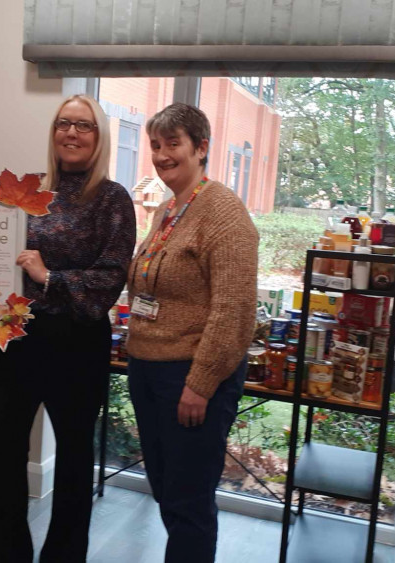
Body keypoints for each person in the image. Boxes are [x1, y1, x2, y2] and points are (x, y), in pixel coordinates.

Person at [0, 95, 136, 562]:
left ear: (99, 136)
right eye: (63, 124)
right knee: (4, 457)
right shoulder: (26, 195)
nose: (71, 133)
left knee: (73, 462)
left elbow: (111, 280)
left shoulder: (112, 199)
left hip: (77, 344)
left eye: (84, 126)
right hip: (21, 338)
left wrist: (48, 277)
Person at [125, 103, 259, 563]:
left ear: (201, 148)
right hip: (149, 370)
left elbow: (235, 308)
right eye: (156, 145)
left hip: (191, 377)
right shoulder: (168, 209)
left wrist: (200, 385)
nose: (162, 155)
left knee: (188, 502)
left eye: (173, 144)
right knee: (166, 489)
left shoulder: (223, 211)